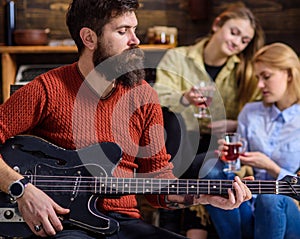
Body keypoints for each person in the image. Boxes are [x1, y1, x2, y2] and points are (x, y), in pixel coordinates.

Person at [0, 1, 252, 239]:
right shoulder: (47, 89)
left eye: (135, 29)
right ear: (89, 38)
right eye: (123, 31)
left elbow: (157, 180)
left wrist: (206, 197)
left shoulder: (143, 95)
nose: (136, 40)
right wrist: (21, 190)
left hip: (124, 223)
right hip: (65, 225)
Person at [153, 2, 265, 238]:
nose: (237, 42)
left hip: (217, 145)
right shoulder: (178, 57)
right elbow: (157, 98)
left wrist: (235, 123)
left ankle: (177, 221)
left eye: (244, 40)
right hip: (177, 143)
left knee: (208, 163)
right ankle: (176, 220)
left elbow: (257, 111)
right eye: (234, 32)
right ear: (217, 25)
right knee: (175, 122)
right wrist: (184, 98)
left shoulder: (244, 70)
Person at [203, 42, 300, 239]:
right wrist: (230, 159)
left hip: (289, 207)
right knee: (211, 170)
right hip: (247, 204)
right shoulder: (251, 112)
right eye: (258, 78)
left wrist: (272, 168)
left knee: (270, 199)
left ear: (289, 74)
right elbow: (239, 168)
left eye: (266, 77)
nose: (260, 85)